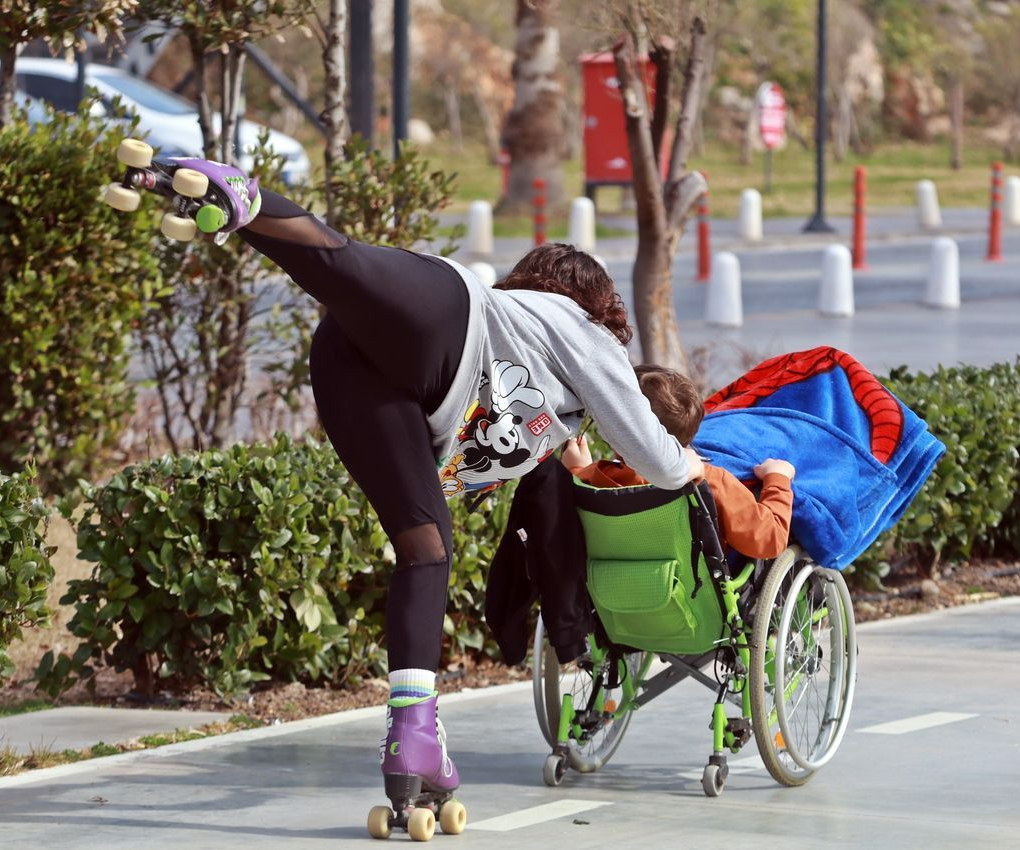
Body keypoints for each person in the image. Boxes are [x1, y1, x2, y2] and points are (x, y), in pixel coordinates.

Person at [185, 165, 706, 813]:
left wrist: (561, 445)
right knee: (337, 264)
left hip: (365, 378)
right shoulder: (581, 329)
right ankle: (244, 201)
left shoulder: (548, 413)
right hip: (451, 313)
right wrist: (698, 470)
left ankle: (415, 733)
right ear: (595, 304)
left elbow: (516, 461)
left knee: (427, 549)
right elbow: (655, 458)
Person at [562, 364, 795, 560]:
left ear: (617, 433)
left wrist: (575, 469)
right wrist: (778, 479)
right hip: (692, 599)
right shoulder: (710, 481)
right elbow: (769, 540)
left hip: (612, 602)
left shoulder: (592, 479)